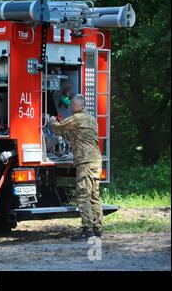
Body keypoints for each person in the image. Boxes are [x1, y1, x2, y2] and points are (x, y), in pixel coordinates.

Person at [49, 94, 103, 241]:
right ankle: (97, 228)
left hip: (85, 162)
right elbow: (74, 136)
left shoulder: (76, 118)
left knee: (83, 195)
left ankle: (87, 231)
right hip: (96, 160)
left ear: (80, 106)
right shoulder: (91, 119)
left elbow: (58, 129)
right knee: (94, 195)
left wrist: (52, 121)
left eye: (73, 104)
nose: (71, 107)